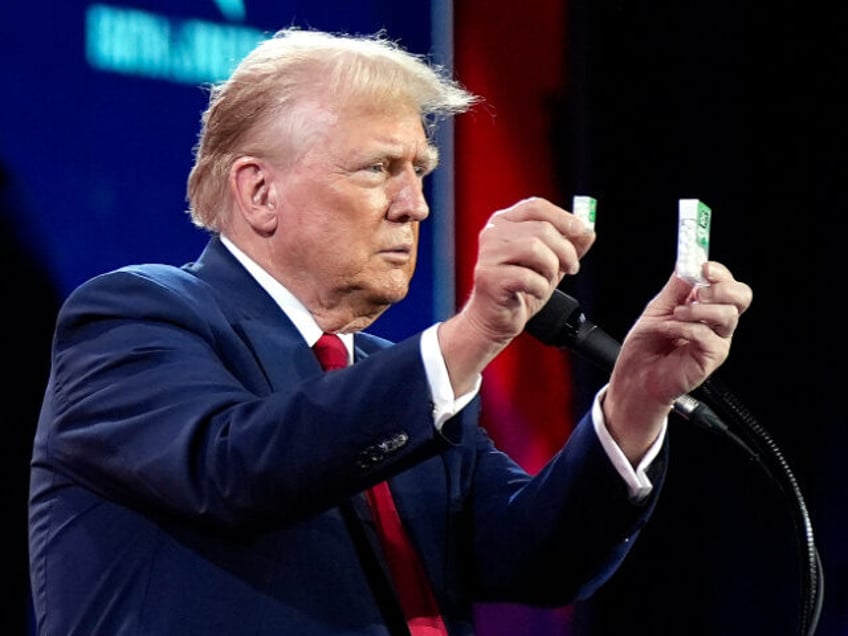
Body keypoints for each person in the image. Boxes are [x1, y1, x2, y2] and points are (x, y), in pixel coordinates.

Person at [28, 28, 752, 636]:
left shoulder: (400, 381)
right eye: (379, 169)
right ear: (258, 191)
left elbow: (535, 559)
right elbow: (239, 466)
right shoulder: (130, 316)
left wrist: (633, 404)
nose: (415, 206)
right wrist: (474, 334)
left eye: (422, 172)